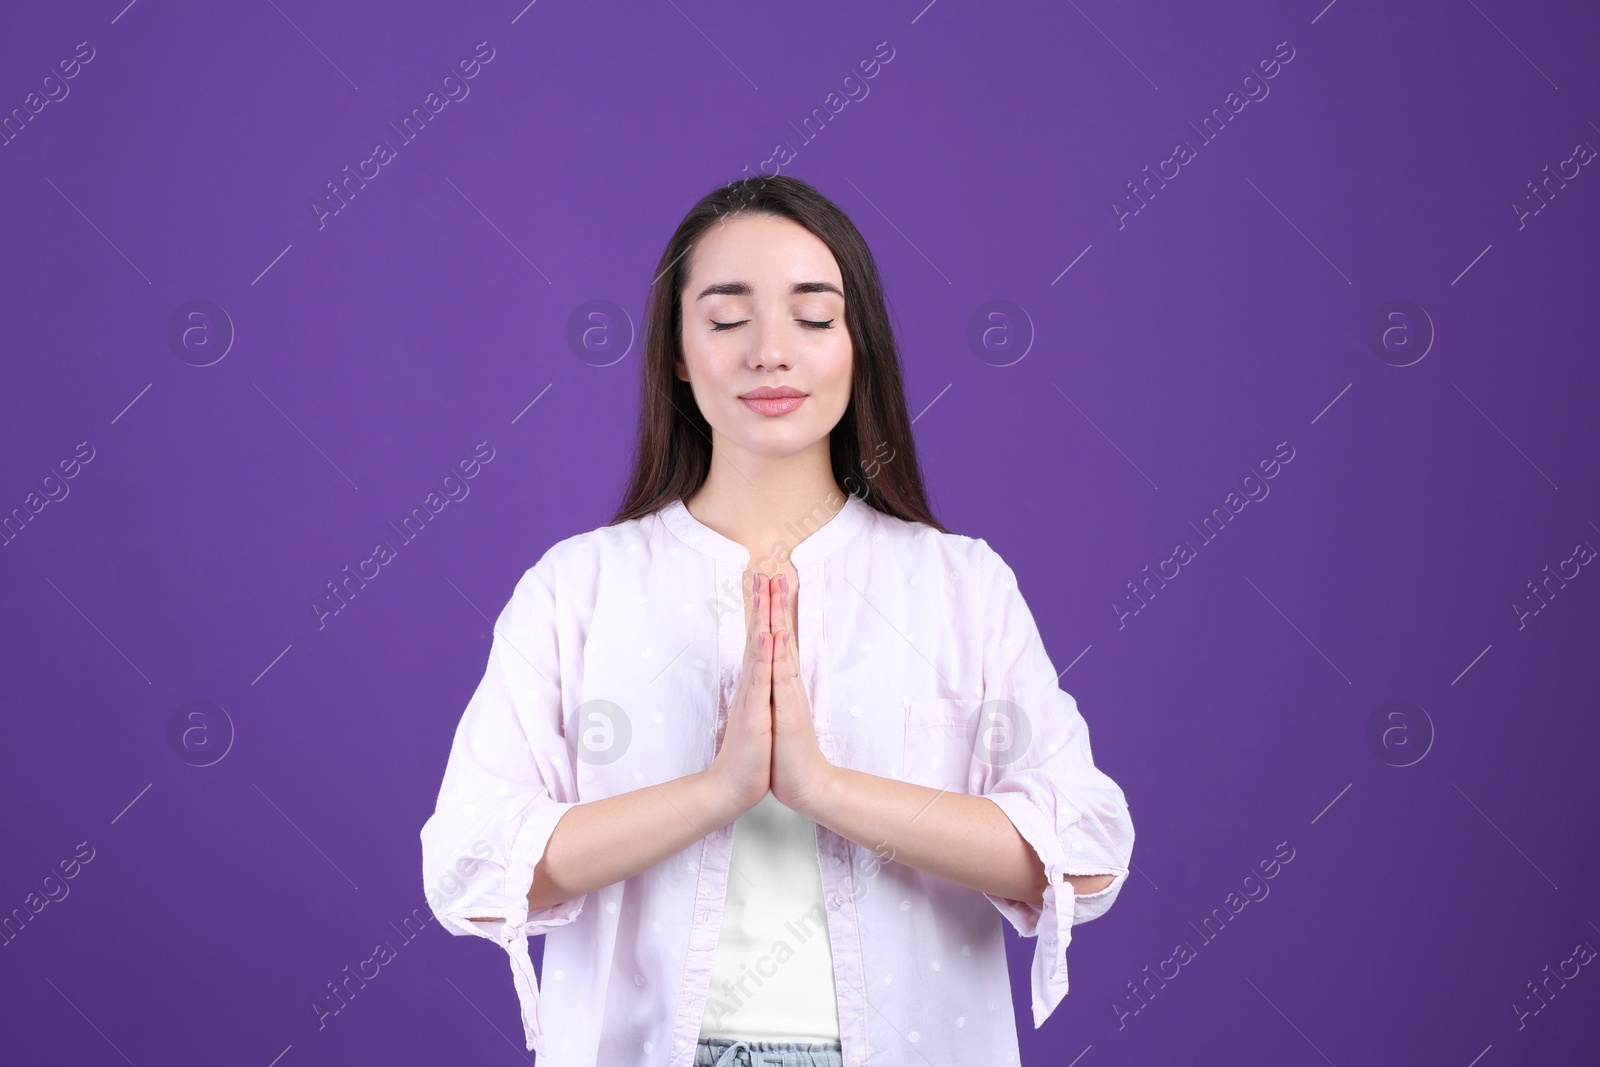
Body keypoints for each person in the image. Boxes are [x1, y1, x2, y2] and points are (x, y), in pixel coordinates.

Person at [418, 175, 1134, 1067]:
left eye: (813, 316)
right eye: (726, 320)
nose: (770, 352)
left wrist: (824, 787)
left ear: (857, 345)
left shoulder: (958, 585)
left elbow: (1087, 851)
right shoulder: (579, 588)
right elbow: (471, 865)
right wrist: (715, 791)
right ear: (678, 352)